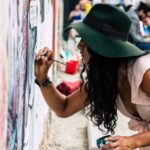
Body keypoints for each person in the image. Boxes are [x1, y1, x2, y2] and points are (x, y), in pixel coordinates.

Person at [34, 4, 150, 150]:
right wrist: (43, 79)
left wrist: (133, 142)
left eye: (85, 40)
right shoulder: (106, 78)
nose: (79, 46)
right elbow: (64, 108)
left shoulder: (144, 72)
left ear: (102, 47)